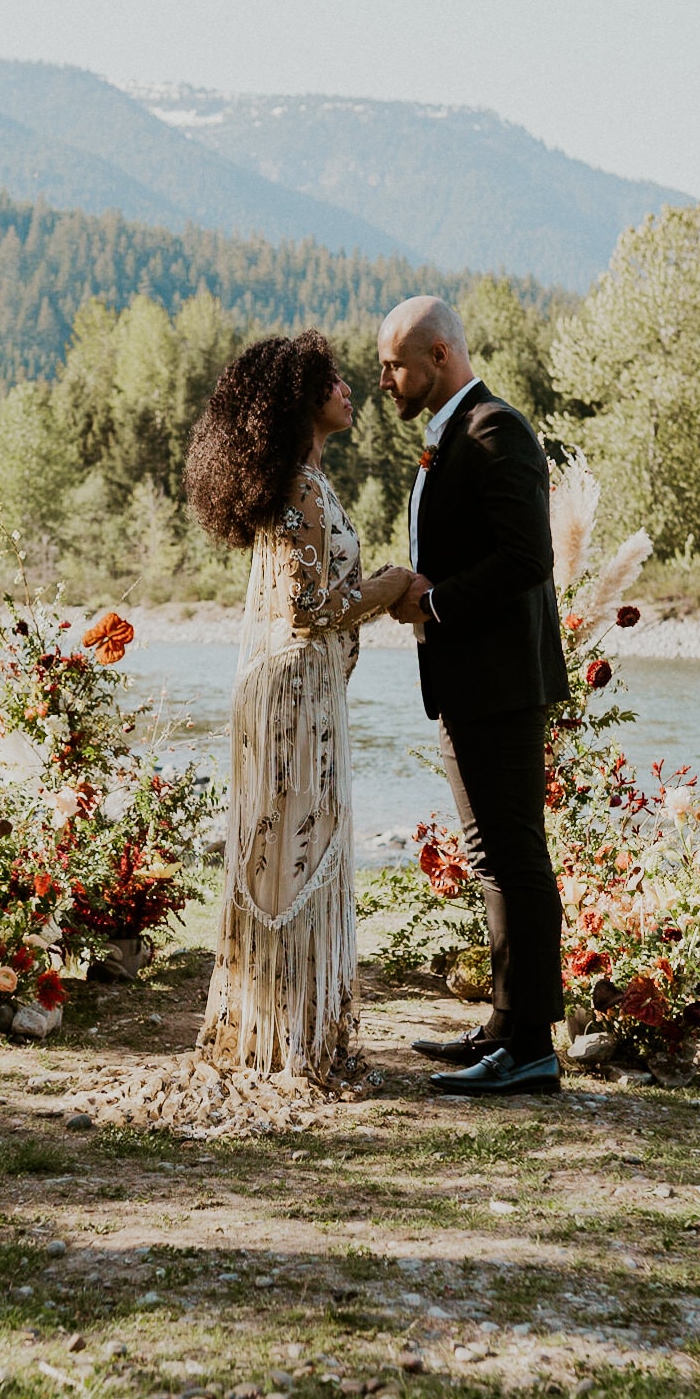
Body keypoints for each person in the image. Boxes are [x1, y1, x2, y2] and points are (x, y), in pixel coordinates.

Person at [185, 331, 412, 1078]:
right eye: (337, 382)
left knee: (285, 845)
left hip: (291, 688)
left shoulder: (300, 481)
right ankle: (291, 1034)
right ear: (304, 400)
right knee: (296, 846)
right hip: (295, 694)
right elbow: (312, 610)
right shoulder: (302, 488)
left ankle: (280, 1026)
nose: (351, 391)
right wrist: (393, 584)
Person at [379, 296, 570, 1096]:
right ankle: (502, 1026)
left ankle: (532, 1049)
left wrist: (434, 601)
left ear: (442, 355)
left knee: (516, 855)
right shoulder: (450, 435)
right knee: (489, 854)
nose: (386, 379)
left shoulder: (496, 429)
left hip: (499, 682)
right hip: (466, 681)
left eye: (396, 364)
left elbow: (527, 558)